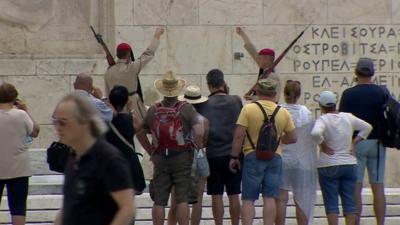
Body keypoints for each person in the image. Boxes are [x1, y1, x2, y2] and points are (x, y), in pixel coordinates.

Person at [52, 94, 135, 225]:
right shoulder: (73, 158)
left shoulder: (108, 159)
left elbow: (127, 208)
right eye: (55, 122)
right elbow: (70, 205)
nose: (57, 128)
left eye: (63, 122)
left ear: (84, 122)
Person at [136, 71, 202, 225]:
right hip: (182, 157)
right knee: (182, 198)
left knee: (159, 200)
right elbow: (199, 130)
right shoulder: (187, 109)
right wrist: (197, 147)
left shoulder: (153, 109)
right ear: (177, 89)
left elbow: (140, 131)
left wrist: (151, 151)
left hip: (160, 158)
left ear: (163, 90)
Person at [229, 78, 297, 225]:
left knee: (248, 198)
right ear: (275, 94)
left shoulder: (248, 109)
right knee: (270, 197)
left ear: (258, 92)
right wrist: (277, 141)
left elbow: (239, 135)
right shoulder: (283, 112)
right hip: (274, 156)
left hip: (252, 155)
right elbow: (293, 137)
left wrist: (234, 156)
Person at [311, 91, 372, 225]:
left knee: (331, 203)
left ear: (321, 106)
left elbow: (315, 133)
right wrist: (354, 142)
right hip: (349, 163)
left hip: (328, 164)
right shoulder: (348, 117)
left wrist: (323, 145)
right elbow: (367, 127)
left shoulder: (323, 119)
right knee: (349, 203)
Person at [339, 57, 388, 225]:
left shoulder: (348, 94)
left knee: (356, 187)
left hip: (356, 143)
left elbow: (343, 120)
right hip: (377, 142)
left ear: (356, 73)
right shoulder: (382, 92)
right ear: (372, 73)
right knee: (378, 186)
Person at [197, 69, 243, 225]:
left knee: (216, 194)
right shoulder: (236, 100)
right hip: (234, 154)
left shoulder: (203, 104)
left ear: (209, 85)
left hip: (213, 154)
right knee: (234, 193)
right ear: (223, 82)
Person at [276, 80, 317, 225]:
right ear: (299, 94)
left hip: (282, 159)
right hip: (302, 160)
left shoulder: (278, 111)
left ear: (284, 93)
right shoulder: (306, 113)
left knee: (281, 199)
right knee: (301, 199)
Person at [168, 85, 210, 225]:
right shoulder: (204, 120)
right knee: (197, 199)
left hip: (180, 158)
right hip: (199, 157)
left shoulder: (176, 117)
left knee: (176, 199)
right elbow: (204, 143)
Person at [0, 82, 40, 225]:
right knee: (18, 208)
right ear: (15, 97)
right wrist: (26, 110)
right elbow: (35, 131)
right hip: (19, 169)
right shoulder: (21, 115)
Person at [105, 27, 165, 120]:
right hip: (132, 104)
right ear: (129, 54)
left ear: (117, 55)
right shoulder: (132, 68)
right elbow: (148, 53)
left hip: (116, 107)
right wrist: (157, 35)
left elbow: (108, 92)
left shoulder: (108, 72)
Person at [105, 85, 146, 195]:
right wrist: (131, 109)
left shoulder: (105, 120)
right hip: (129, 165)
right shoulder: (130, 119)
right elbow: (139, 127)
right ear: (127, 101)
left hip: (111, 164)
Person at [236, 27, 281, 101]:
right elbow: (252, 51)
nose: (258, 60)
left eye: (260, 58)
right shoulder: (265, 69)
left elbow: (274, 99)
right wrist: (242, 34)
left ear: (267, 60)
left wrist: (252, 98)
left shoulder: (273, 76)